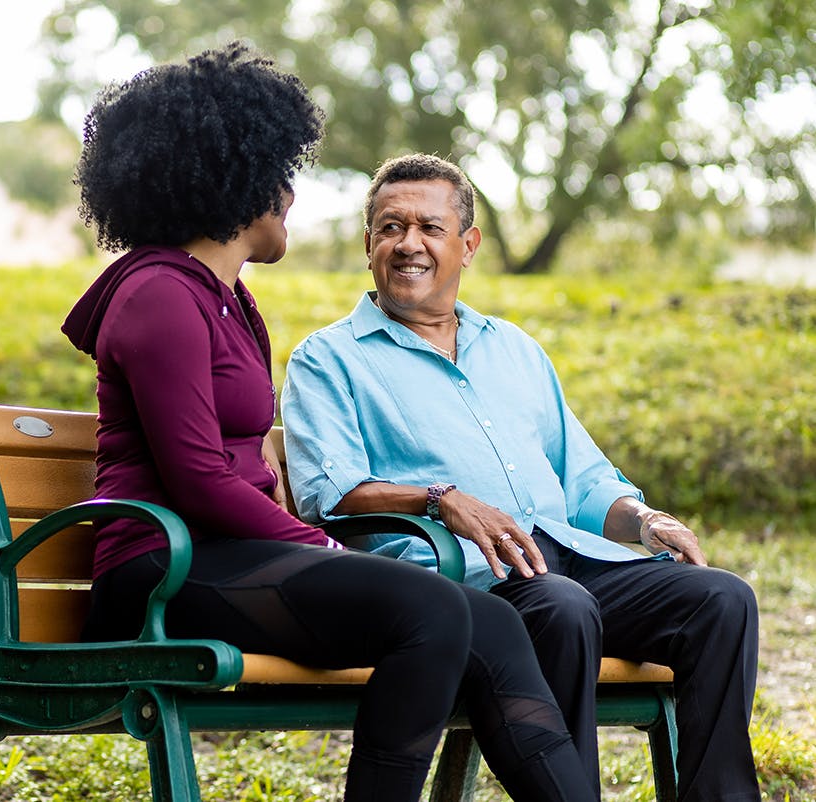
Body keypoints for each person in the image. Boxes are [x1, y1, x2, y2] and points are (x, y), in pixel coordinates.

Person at [61, 46, 597, 802]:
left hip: (230, 560)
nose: (289, 194)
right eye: (280, 174)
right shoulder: (159, 295)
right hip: (162, 570)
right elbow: (199, 481)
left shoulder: (229, 300)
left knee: (494, 624)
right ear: (235, 179)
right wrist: (320, 545)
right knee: (434, 610)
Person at [281, 153, 761, 801]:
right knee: (564, 607)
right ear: (368, 244)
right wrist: (438, 500)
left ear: (468, 245)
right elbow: (326, 494)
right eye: (390, 228)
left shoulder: (513, 348)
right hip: (461, 585)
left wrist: (644, 520)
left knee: (721, 600)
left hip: (566, 560)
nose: (408, 244)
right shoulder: (328, 359)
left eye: (430, 227)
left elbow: (582, 478)